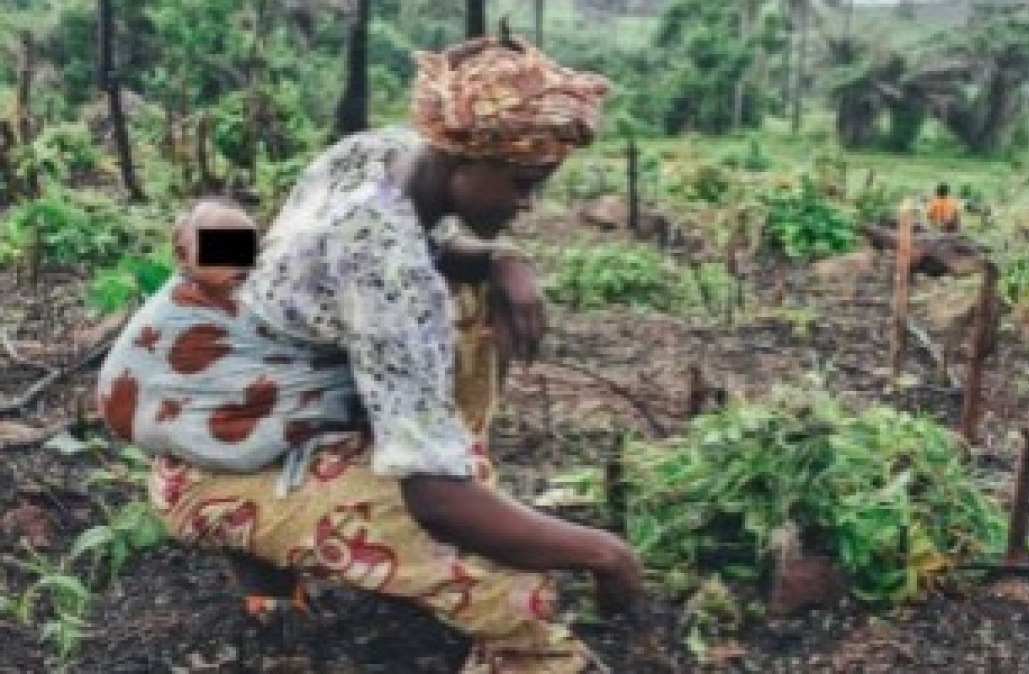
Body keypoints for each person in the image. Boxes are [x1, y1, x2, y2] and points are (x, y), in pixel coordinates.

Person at [95, 33, 643, 673]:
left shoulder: (378, 155)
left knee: (465, 309)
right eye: (522, 184)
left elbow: (429, 250)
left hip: (237, 408)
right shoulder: (390, 273)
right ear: (462, 157)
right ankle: (525, 657)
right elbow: (435, 500)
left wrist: (500, 259)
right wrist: (605, 554)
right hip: (213, 465)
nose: (527, 206)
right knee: (520, 590)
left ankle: (293, 561)